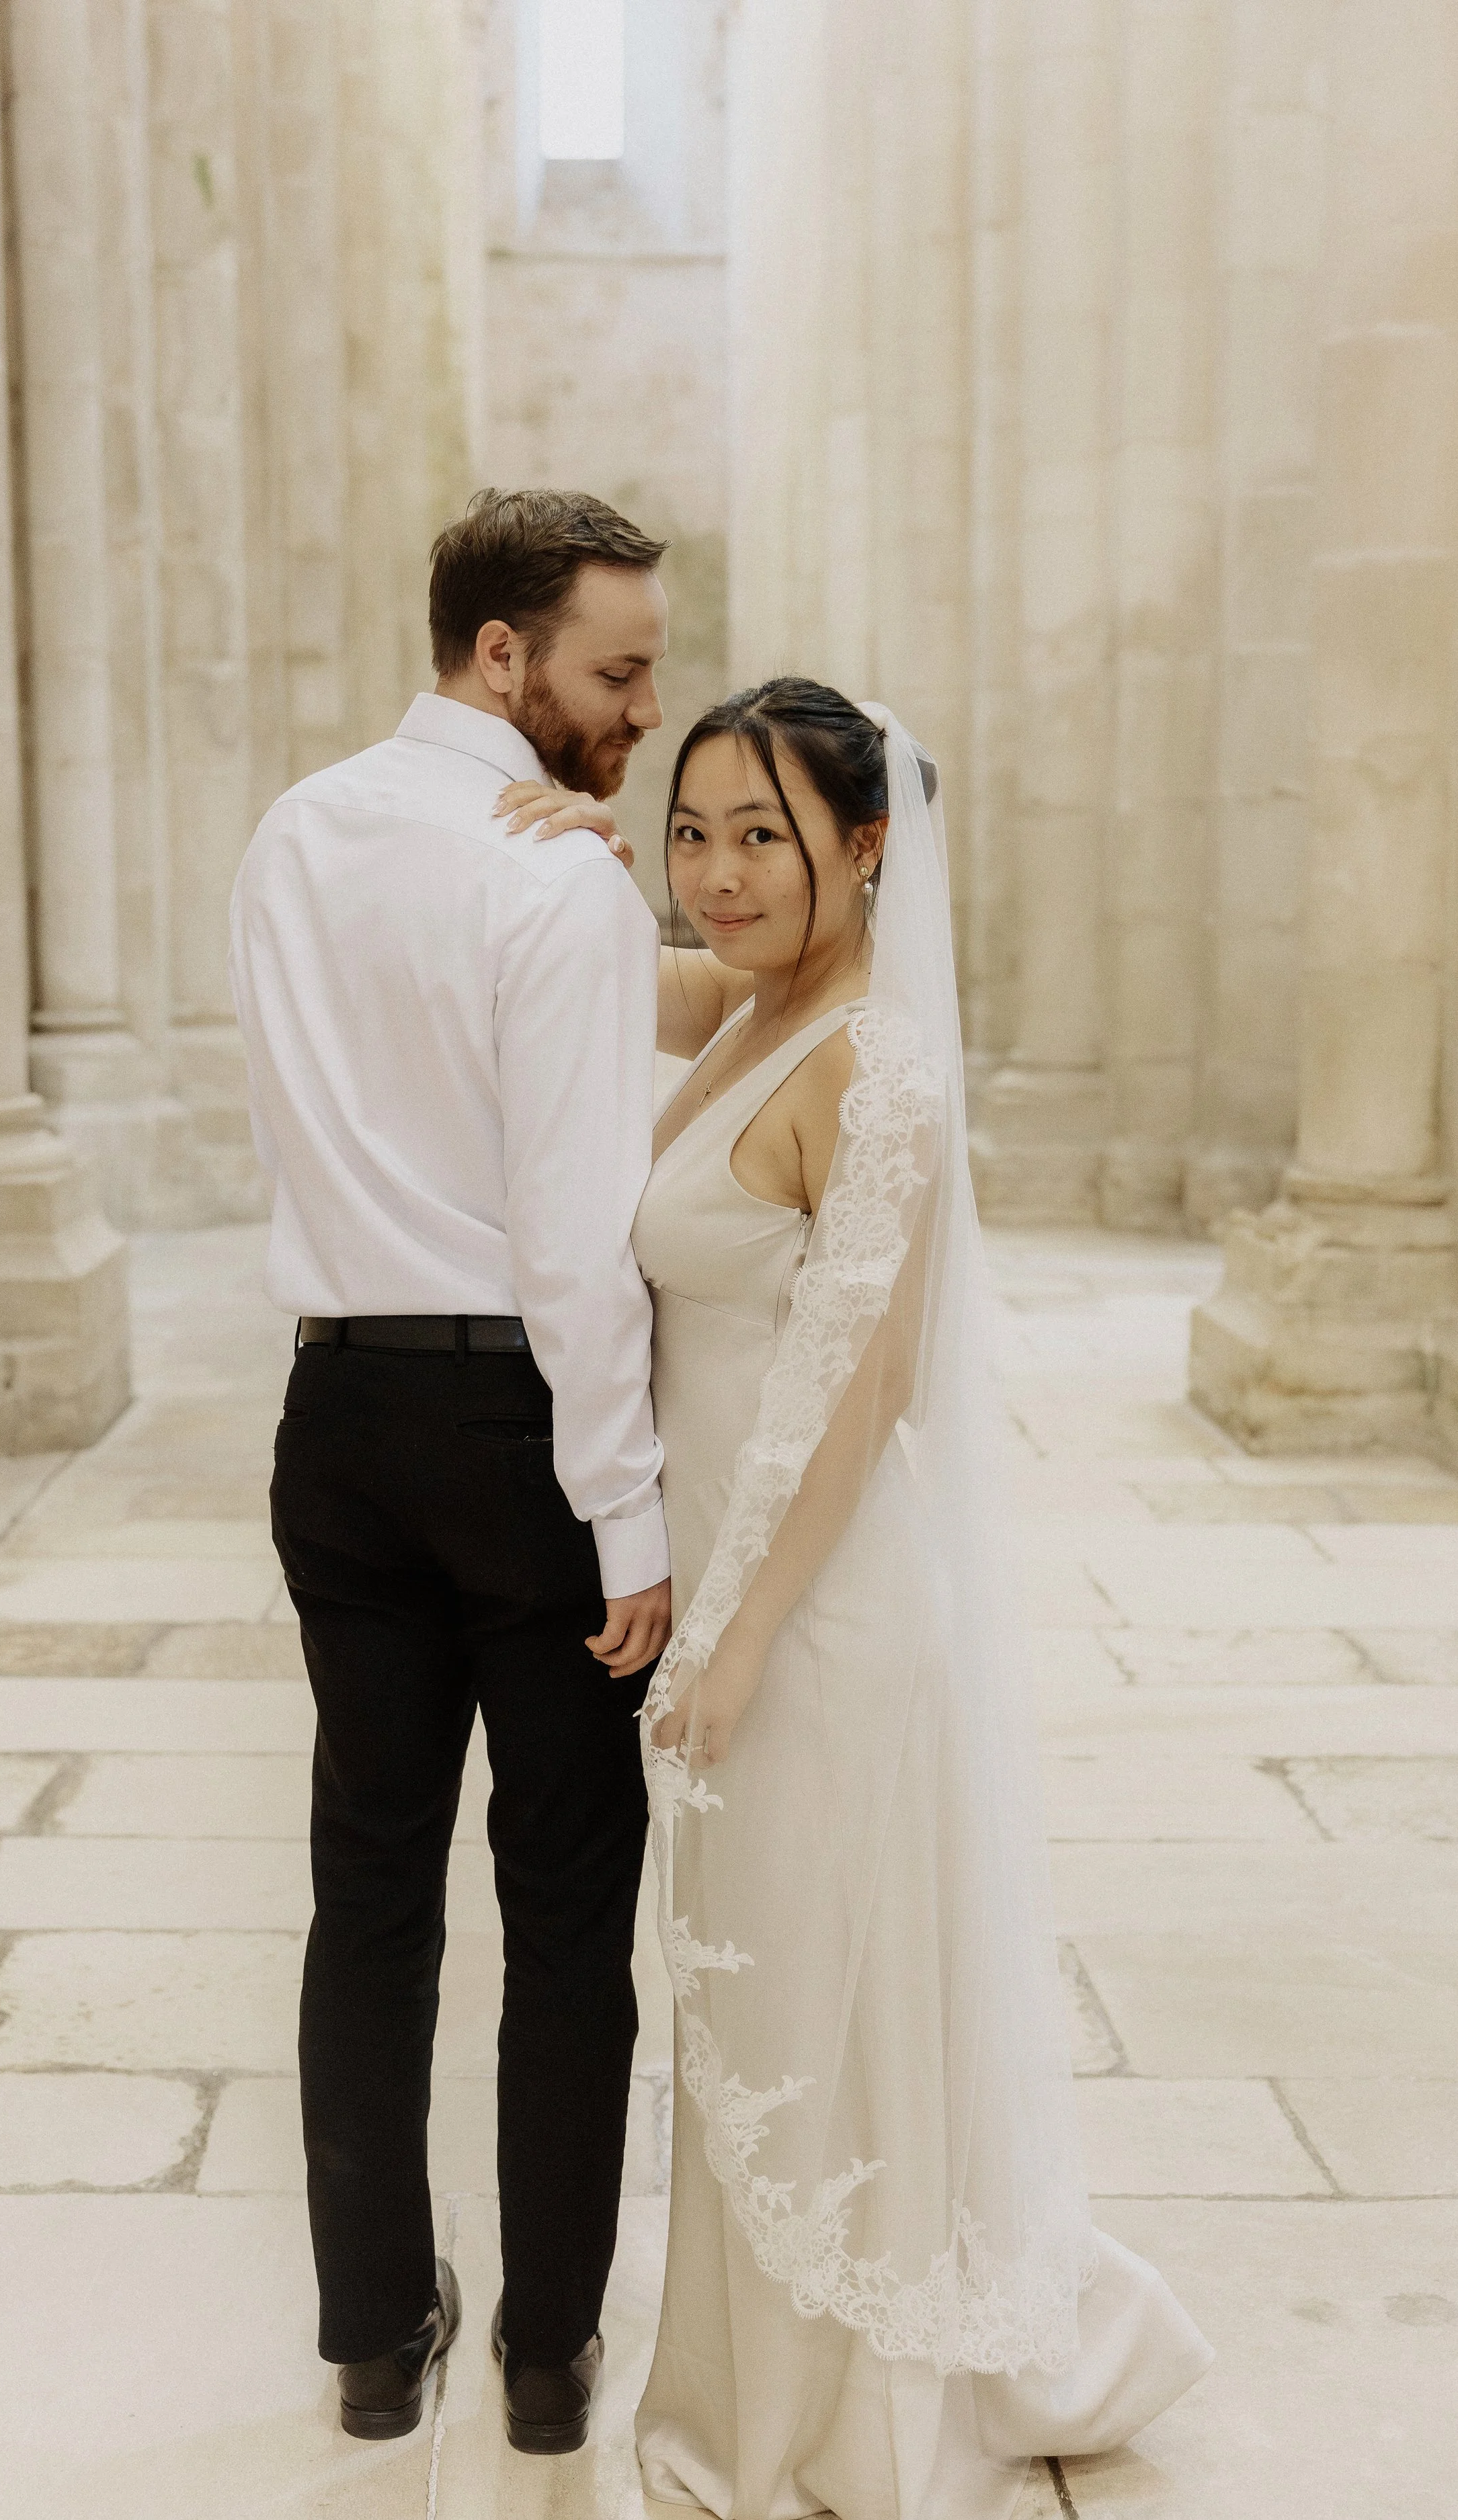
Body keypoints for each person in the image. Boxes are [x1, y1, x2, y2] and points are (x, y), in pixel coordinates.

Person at [499, 678, 1212, 2518]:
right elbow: (624, 982)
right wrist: (575, 854)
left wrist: (735, 1642)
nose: (716, 876)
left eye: (764, 836)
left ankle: (858, 2423)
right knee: (759, 1998)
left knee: (815, 1999)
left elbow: (869, 1382)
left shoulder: (871, 1061)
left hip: (818, 1610)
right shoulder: (755, 1004)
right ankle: (767, 2391)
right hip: (740, 1581)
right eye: (693, 829)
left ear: (868, 846)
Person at [228, 487, 676, 2458]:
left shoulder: (295, 831)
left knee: (367, 1885)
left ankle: (370, 2330)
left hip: (333, 1422)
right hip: (519, 1433)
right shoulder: (554, 878)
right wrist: (630, 1516)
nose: (642, 710)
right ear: (500, 657)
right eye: (615, 669)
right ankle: (548, 2348)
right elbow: (577, 1239)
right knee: (569, 1907)